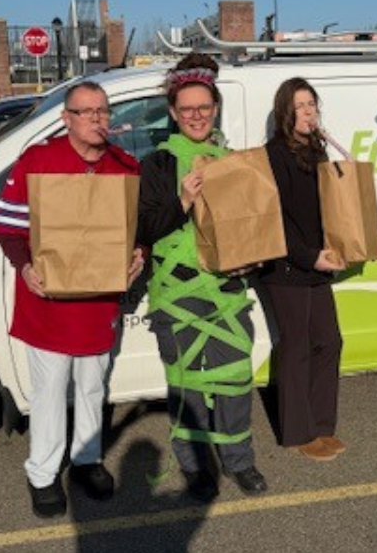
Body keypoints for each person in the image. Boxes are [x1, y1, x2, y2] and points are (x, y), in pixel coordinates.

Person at [0, 81, 144, 519]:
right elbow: (6, 226)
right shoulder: (38, 161)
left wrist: (139, 255)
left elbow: (137, 232)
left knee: (94, 386)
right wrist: (24, 266)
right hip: (48, 302)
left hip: (99, 302)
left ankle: (86, 460)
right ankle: (41, 473)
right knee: (51, 391)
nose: (96, 119)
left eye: (102, 111)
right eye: (85, 112)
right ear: (66, 119)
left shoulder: (126, 166)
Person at [137, 53, 268, 500]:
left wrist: (253, 261)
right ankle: (194, 465)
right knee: (188, 382)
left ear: (215, 111)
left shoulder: (232, 162)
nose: (196, 116)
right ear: (173, 113)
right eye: (187, 109)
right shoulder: (156, 166)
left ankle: (239, 461)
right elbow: (145, 229)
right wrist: (183, 202)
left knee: (233, 379)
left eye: (204, 108)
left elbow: (251, 228)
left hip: (228, 291)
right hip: (177, 294)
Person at [261, 78, 347, 462]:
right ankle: (299, 432)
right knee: (296, 348)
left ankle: (323, 425)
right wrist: (306, 255)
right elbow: (273, 220)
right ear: (286, 112)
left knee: (330, 341)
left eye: (312, 104)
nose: (309, 111)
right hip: (287, 266)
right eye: (301, 106)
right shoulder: (274, 155)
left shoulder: (318, 151)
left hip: (318, 263)